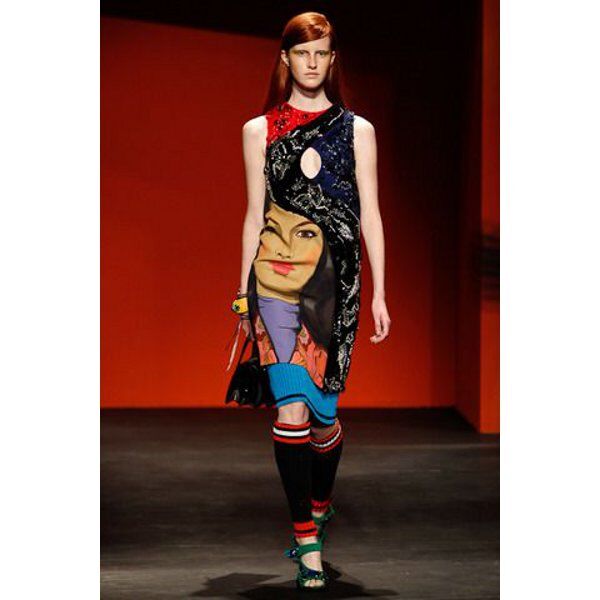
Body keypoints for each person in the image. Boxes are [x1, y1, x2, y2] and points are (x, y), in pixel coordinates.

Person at [232, 11, 391, 590]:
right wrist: (242, 295)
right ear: (285, 59)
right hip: (276, 283)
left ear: (332, 59)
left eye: (321, 53)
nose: (312, 63)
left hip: (336, 287)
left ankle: (319, 505)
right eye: (302, 53)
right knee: (291, 411)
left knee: (323, 420)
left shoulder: (357, 131)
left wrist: (380, 292)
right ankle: (306, 540)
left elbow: (370, 214)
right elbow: (254, 215)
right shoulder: (259, 131)